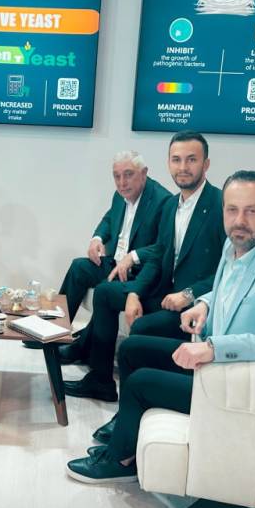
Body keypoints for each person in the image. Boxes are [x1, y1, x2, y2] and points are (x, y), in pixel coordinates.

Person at [66, 170, 255, 483]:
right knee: (131, 349)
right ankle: (127, 436)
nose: (239, 220)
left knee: (141, 383)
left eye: (251, 211)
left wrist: (213, 348)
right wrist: (205, 304)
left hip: (238, 383)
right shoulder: (236, 246)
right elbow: (227, 289)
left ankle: (122, 460)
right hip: (215, 366)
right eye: (232, 209)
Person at [63, 132, 224, 401]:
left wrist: (189, 294)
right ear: (168, 163)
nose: (183, 167)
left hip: (192, 304)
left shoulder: (220, 206)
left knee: (141, 329)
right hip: (160, 290)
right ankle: (100, 380)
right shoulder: (172, 205)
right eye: (176, 160)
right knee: (104, 292)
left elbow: (227, 271)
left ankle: (134, 401)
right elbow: (158, 255)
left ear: (206, 164)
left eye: (191, 160)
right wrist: (135, 292)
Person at [55, 151, 169, 362]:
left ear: (144, 173)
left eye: (128, 174)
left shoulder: (163, 201)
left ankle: (80, 348)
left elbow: (164, 246)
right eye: (117, 176)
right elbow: (109, 218)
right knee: (79, 267)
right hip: (115, 262)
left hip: (138, 272)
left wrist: (134, 256)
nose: (122, 182)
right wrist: (97, 238)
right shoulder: (120, 194)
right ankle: (53, 332)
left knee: (105, 290)